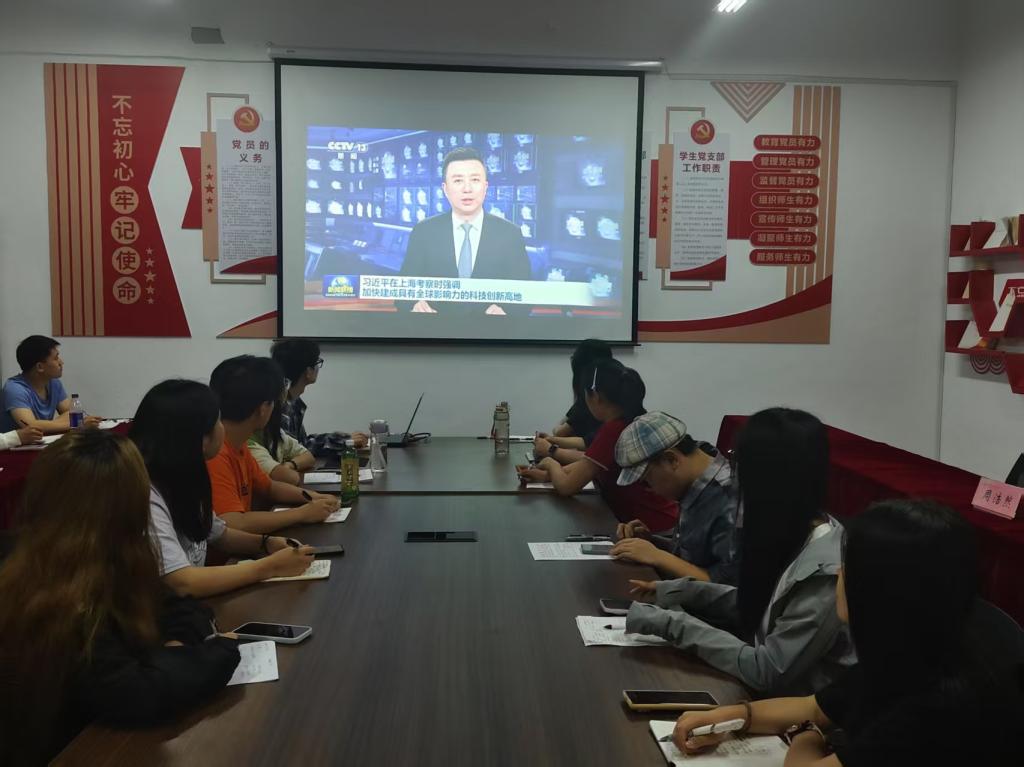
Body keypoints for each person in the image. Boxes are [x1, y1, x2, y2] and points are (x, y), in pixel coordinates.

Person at [666, 499, 1024, 767]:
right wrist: (735, 716)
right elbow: (814, 706)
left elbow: (809, 740)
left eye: (848, 566)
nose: (837, 573)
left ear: (877, 591)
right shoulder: (917, 641)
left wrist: (807, 734)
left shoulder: (938, 704)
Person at [0, 430, 240, 765]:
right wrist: (220, 650)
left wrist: (174, 646)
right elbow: (135, 693)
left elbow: (181, 606)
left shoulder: (113, 560)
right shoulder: (51, 594)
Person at [625, 408, 855, 697]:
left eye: (738, 465)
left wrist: (670, 624)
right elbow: (759, 602)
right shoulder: (793, 528)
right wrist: (680, 591)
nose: (733, 478)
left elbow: (767, 671)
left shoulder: (825, 570)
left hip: (795, 710)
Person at [131, 379, 318, 598]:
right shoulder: (145, 495)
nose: (223, 427)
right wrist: (270, 567)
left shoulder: (183, 477)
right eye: (218, 420)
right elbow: (182, 583)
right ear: (201, 438)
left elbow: (220, 535)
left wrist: (266, 543)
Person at [517, 358, 678, 532]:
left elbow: (567, 487)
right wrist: (547, 476)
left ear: (596, 396)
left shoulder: (614, 429)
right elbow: (589, 463)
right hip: (656, 517)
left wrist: (550, 464)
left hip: (650, 526)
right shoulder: (630, 419)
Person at [206, 355, 340, 534]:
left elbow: (270, 487)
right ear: (263, 409)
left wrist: (314, 497)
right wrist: (302, 514)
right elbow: (233, 522)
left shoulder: (238, 444)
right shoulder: (215, 454)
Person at [609, 412, 739, 584]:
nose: (650, 489)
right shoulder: (694, 485)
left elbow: (727, 587)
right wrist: (651, 542)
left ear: (672, 460)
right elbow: (694, 557)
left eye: (647, 480)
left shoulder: (729, 499)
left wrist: (658, 557)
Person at [399, 147, 532, 316]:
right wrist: (415, 304)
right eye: (458, 181)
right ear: (445, 189)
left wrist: (506, 310)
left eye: (475, 180)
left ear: (485, 187)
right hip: (435, 329)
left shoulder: (510, 234)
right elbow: (402, 293)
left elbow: (526, 296)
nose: (467, 189)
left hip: (492, 330)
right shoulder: (424, 232)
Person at [270, 338, 367, 450]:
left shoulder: (293, 402)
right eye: (317, 362)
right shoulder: (282, 406)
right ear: (308, 371)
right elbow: (294, 451)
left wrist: (345, 439)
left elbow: (303, 443)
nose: (318, 368)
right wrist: (345, 441)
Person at [533, 338, 613, 465]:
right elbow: (587, 443)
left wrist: (551, 452)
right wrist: (551, 440)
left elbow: (592, 460)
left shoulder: (593, 402)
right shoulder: (613, 408)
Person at [0, 335, 100, 434]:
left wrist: (48, 425)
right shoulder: (15, 389)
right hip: (17, 444)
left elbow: (71, 413)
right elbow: (30, 426)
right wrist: (77, 424)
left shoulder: (53, 383)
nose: (61, 362)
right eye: (56, 358)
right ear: (40, 367)